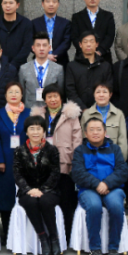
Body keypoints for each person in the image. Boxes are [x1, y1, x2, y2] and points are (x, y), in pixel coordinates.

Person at [30, 84, 83, 240]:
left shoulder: (71, 115)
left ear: (61, 98)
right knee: (46, 201)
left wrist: (74, 161)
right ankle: (49, 235)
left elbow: (77, 140)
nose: (53, 99)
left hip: (65, 163)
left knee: (66, 202)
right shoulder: (38, 116)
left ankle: (66, 236)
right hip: (43, 165)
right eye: (49, 97)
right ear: (44, 99)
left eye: (55, 96)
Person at [72, 118, 128, 255]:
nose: (95, 132)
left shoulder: (115, 149)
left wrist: (107, 184)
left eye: (99, 129)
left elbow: (122, 171)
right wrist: (97, 184)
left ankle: (113, 247)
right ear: (85, 133)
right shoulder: (80, 150)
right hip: (89, 189)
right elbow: (78, 173)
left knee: (116, 206)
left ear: (105, 132)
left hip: (112, 188)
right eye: (91, 130)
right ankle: (95, 248)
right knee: (94, 206)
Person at [13, 115, 62, 255]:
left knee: (45, 201)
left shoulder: (52, 150)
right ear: (26, 132)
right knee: (31, 202)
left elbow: (55, 173)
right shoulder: (19, 151)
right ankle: (43, 238)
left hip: (49, 190)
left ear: (44, 131)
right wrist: (29, 189)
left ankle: (54, 238)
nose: (35, 132)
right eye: (32, 129)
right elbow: (17, 174)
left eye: (39, 128)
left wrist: (42, 190)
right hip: (27, 191)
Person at [0, 81, 31, 243]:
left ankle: (23, 234)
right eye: (10, 92)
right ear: (5, 95)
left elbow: (33, 137)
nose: (14, 95)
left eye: (17, 92)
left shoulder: (29, 113)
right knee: (5, 196)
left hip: (24, 160)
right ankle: (6, 234)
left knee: (24, 195)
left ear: (22, 95)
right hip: (4, 162)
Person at [80, 83, 128, 162]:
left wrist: (119, 162)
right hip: (92, 162)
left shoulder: (118, 114)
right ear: (94, 95)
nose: (101, 95)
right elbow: (83, 140)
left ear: (110, 95)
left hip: (113, 161)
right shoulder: (86, 115)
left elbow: (122, 141)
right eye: (98, 92)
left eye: (105, 92)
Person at [69, 0, 116, 64]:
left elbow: (110, 36)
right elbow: (75, 37)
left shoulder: (108, 16)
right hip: (82, 58)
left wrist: (99, 51)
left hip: (103, 57)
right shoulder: (77, 17)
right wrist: (86, 52)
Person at [64, 30, 113, 109]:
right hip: (78, 111)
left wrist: (96, 109)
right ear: (80, 44)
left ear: (96, 44)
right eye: (85, 42)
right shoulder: (72, 66)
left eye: (91, 41)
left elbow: (108, 88)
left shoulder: (105, 66)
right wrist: (83, 109)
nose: (88, 44)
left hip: (100, 110)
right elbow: (70, 91)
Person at [19, 32, 64, 108]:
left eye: (44, 45)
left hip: (50, 110)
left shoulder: (58, 69)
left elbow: (60, 93)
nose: (41, 48)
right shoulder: (24, 68)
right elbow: (22, 93)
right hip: (30, 110)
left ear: (49, 48)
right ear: (33, 48)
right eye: (38, 45)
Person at [30, 0, 70, 69]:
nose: (51, 4)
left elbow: (66, 42)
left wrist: (53, 55)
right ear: (42, 4)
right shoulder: (34, 23)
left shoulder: (65, 23)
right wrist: (45, 56)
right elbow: (30, 42)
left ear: (58, 4)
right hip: (39, 62)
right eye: (48, 1)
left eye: (54, 1)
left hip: (60, 61)